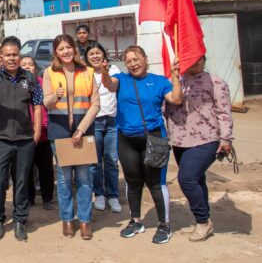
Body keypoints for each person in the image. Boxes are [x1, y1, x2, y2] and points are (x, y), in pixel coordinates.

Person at [100, 45, 182, 245]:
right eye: (128, 61)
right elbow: (109, 85)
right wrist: (104, 72)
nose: (133, 64)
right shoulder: (122, 79)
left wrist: (175, 76)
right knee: (133, 181)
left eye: (136, 59)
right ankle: (135, 221)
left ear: (145, 59)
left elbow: (176, 99)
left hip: (153, 138)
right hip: (126, 139)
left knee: (156, 183)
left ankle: (164, 225)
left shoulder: (159, 81)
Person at [165, 56, 233, 242]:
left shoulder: (215, 82)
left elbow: (224, 112)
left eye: (198, 58)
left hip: (206, 139)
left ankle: (203, 221)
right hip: (179, 139)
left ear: (204, 59)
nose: (194, 62)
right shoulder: (176, 80)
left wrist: (226, 138)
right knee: (197, 179)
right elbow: (166, 105)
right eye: (190, 58)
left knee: (187, 179)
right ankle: (202, 219)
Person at [0, 36, 43, 242]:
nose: (11, 58)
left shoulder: (30, 78)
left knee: (22, 181)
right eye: (7, 55)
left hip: (24, 138)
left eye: (15, 54)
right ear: (1, 56)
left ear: (20, 55)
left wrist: (36, 132)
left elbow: (37, 106)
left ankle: (20, 220)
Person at [42, 34, 100, 240]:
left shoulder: (87, 71)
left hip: (82, 131)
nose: (65, 51)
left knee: (84, 178)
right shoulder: (49, 73)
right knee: (64, 178)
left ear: (74, 49)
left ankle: (85, 220)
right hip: (59, 132)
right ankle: (67, 218)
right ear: (56, 53)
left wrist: (81, 130)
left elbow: (96, 104)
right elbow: (47, 103)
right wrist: (55, 96)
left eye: (68, 47)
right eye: (61, 49)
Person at [84, 43, 122, 213]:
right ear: (87, 58)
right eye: (91, 54)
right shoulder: (85, 73)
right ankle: (99, 193)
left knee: (112, 160)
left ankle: (113, 195)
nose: (95, 56)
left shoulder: (113, 69)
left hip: (112, 122)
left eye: (98, 53)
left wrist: (104, 72)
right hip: (94, 122)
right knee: (94, 161)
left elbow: (113, 85)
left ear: (104, 55)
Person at [19, 56, 55, 211]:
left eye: (31, 64)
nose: (28, 67)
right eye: (24, 64)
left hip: (43, 133)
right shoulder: (17, 84)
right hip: (23, 133)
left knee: (45, 167)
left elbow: (45, 107)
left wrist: (41, 126)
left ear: (35, 67)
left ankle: (47, 198)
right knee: (26, 168)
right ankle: (29, 198)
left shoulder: (42, 83)